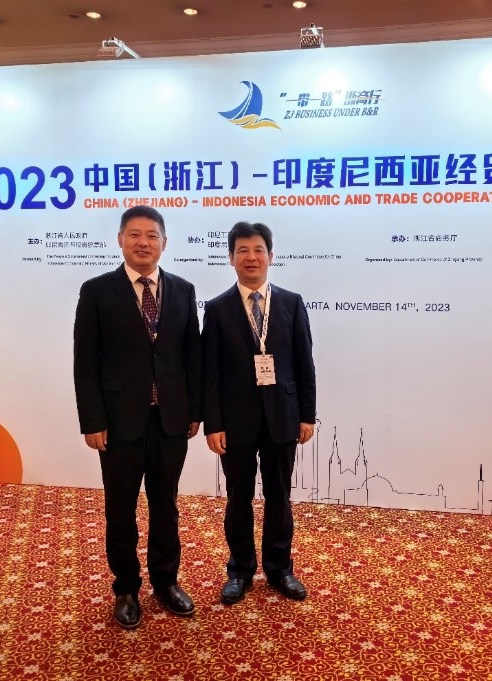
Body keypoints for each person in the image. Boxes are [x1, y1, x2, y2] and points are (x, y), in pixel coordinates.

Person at [73, 206, 201, 629]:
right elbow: (85, 363)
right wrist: (92, 420)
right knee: (120, 508)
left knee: (166, 505)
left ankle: (166, 581)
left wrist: (194, 410)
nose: (143, 242)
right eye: (134, 234)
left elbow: (192, 357)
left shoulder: (183, 290)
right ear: (121, 240)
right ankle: (126, 587)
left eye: (151, 235)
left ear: (164, 242)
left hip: (170, 421)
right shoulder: (97, 291)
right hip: (118, 423)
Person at [202, 221, 316, 605]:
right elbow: (210, 372)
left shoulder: (291, 303)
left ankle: (280, 569)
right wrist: (213, 423)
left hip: (283, 415)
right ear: (231, 258)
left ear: (271, 256)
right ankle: (240, 570)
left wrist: (307, 415)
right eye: (242, 251)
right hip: (235, 421)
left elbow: (304, 363)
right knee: (238, 497)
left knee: (279, 495)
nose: (251, 257)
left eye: (258, 250)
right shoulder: (217, 309)